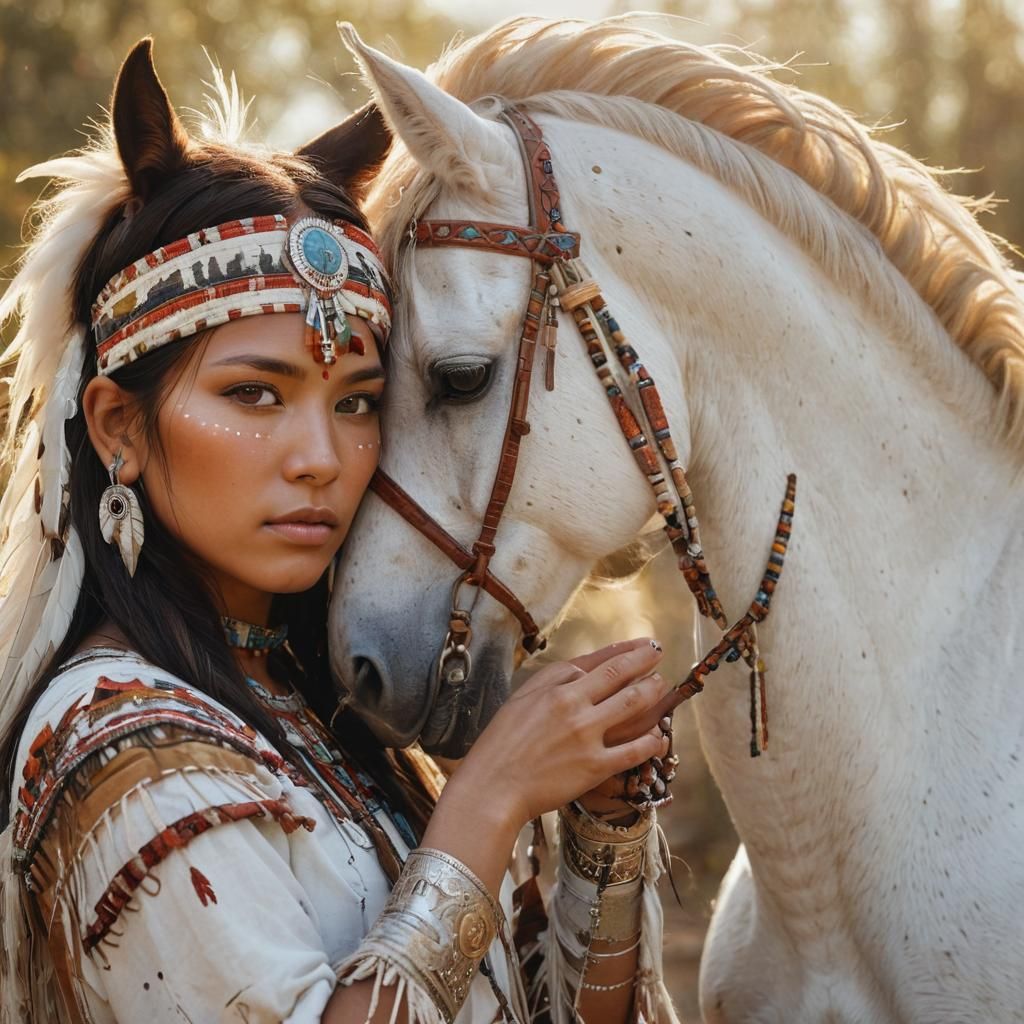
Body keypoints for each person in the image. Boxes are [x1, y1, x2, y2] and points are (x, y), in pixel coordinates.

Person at [0, 38, 679, 1024]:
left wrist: (600, 838)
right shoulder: (112, 740)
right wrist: (486, 802)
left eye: (357, 402)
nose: (321, 456)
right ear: (118, 428)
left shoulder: (332, 722)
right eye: (254, 393)